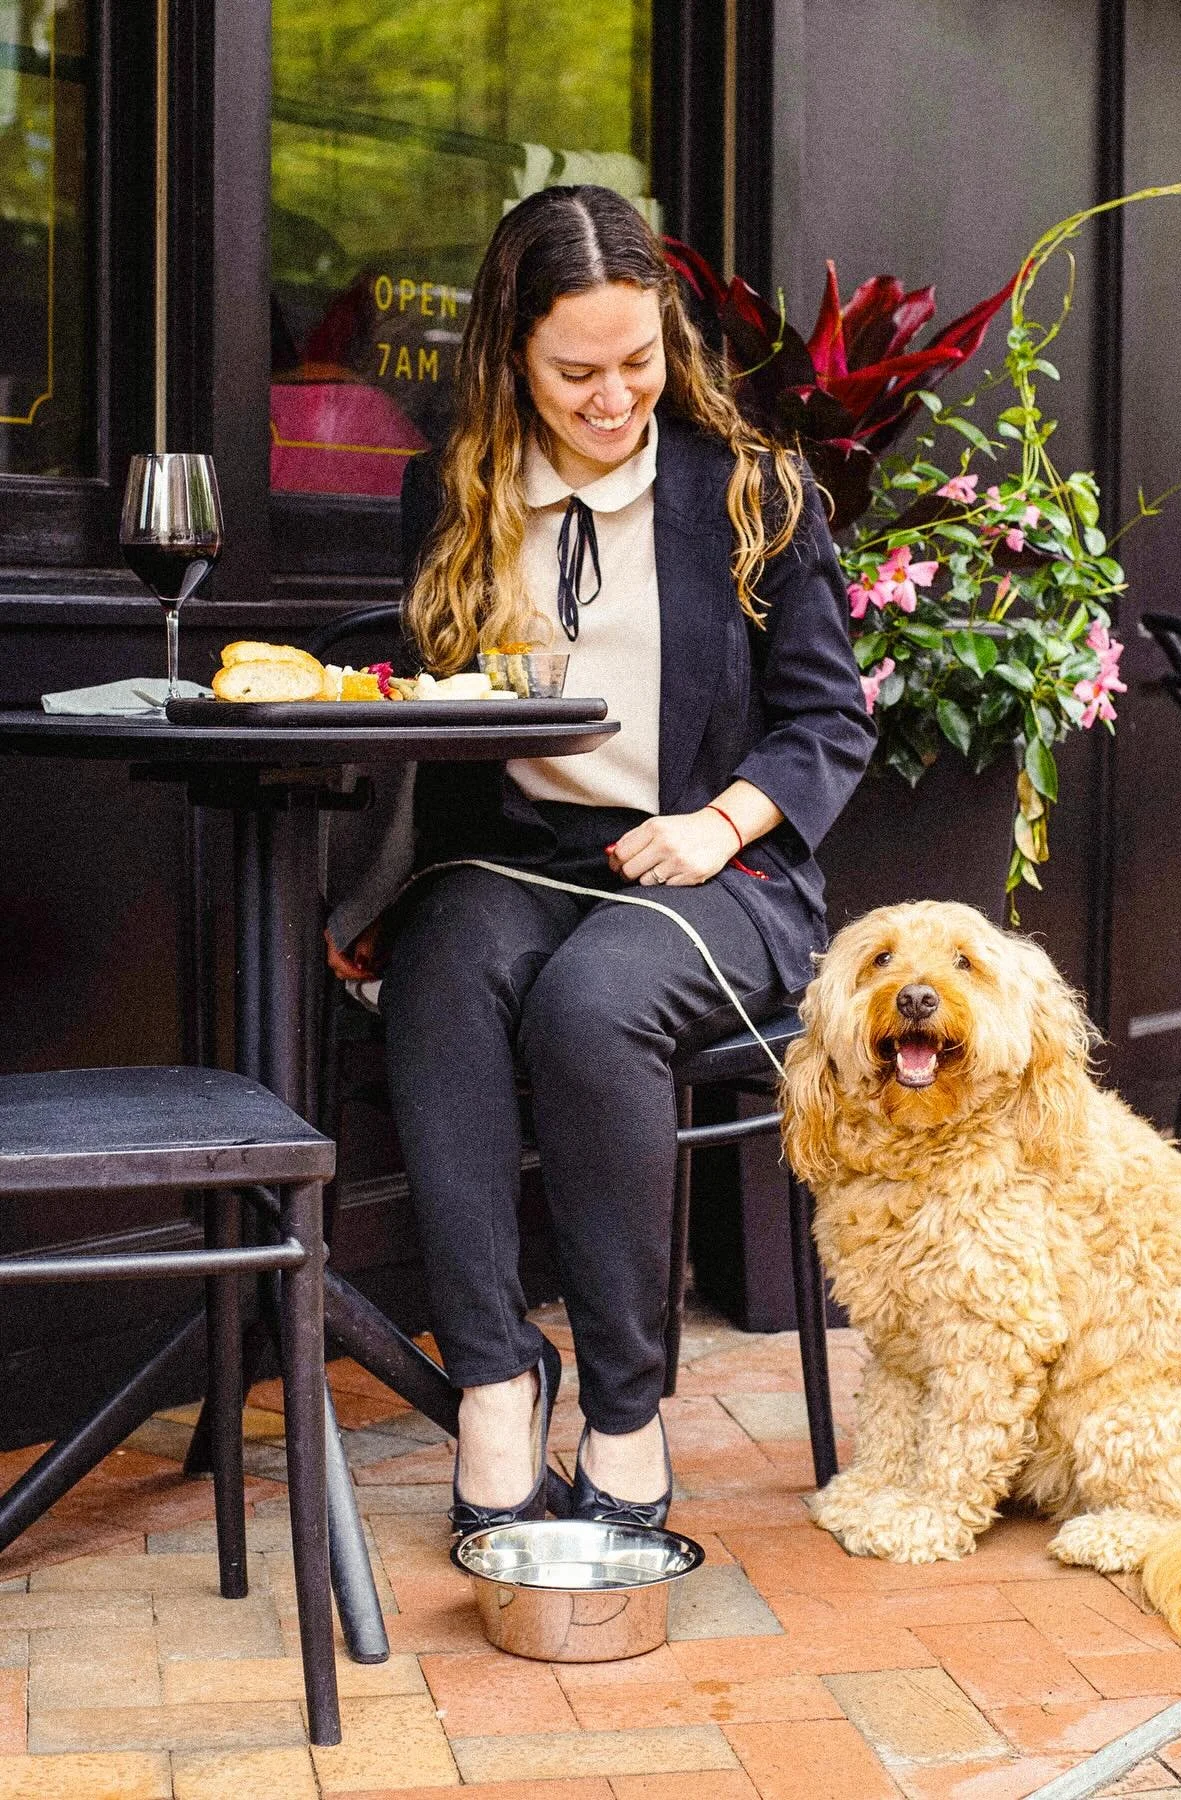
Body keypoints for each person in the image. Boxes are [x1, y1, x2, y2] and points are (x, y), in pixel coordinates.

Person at [326, 183, 873, 1537]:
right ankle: (496, 1378)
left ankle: (626, 1414)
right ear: (512, 354)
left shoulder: (750, 491)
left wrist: (720, 823)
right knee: (441, 979)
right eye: (577, 372)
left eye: (639, 361)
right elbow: (433, 704)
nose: (614, 396)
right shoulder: (454, 490)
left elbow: (828, 719)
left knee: (593, 1005)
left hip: (718, 868)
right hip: (519, 857)